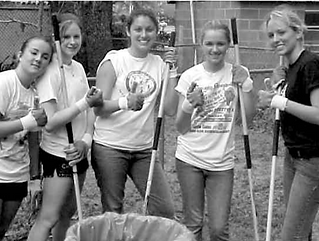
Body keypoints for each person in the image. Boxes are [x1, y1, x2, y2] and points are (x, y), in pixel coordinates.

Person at [92, 8, 178, 218]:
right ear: (128, 31)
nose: (144, 34)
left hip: (145, 149)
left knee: (164, 211)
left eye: (149, 30)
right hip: (110, 146)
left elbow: (169, 109)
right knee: (113, 211)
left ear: (156, 32)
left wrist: (173, 69)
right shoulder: (114, 61)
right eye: (138, 29)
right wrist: (124, 102)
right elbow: (98, 107)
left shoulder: (160, 65)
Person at [174, 21, 256, 241]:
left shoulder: (238, 73)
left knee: (219, 229)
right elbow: (180, 128)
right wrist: (188, 105)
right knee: (193, 225)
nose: (215, 49)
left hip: (222, 162)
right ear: (201, 44)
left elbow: (248, 117)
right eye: (209, 43)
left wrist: (246, 85)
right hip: (189, 159)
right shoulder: (190, 76)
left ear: (228, 45)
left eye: (220, 43)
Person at [27, 13, 103, 241]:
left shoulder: (78, 68)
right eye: (66, 36)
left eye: (76, 36)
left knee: (67, 215)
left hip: (78, 151)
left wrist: (86, 141)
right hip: (58, 155)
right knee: (48, 217)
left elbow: (89, 111)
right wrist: (83, 103)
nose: (72, 41)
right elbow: (50, 123)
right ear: (56, 39)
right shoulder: (49, 72)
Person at [258, 5, 319, 241]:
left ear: (298, 32)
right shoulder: (290, 67)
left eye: (281, 32)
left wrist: (279, 102)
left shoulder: (310, 64)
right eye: (271, 35)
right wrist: (276, 90)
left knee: (291, 235)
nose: (276, 39)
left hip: (311, 161)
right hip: (292, 156)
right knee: (300, 230)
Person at [0, 36, 53, 240]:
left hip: (17, 174)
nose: (39, 58)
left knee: (2, 228)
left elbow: (33, 140)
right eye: (34, 52)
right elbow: (29, 124)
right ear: (20, 55)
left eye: (45, 56)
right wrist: (26, 122)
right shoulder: (5, 83)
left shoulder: (36, 94)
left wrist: (34, 177)